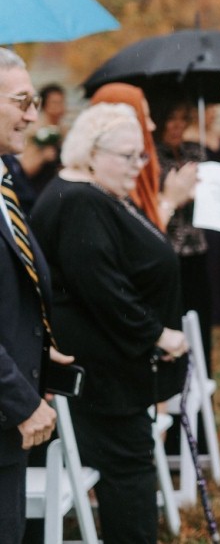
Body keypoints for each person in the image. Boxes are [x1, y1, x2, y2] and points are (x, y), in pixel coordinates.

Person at [30, 102, 189, 543]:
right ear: (92, 151)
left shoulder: (93, 192)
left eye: (142, 156)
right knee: (129, 471)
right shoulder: (79, 197)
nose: (140, 166)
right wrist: (156, 333)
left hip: (110, 366)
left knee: (129, 469)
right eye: (129, 156)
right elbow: (100, 286)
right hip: (101, 371)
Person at [0, 49, 60, 543]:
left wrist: (40, 351)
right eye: (22, 101)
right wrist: (19, 399)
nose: (33, 115)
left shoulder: (5, 181)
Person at [151, 92, 212, 369]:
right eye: (170, 120)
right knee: (175, 319)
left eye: (181, 119)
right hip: (169, 248)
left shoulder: (195, 151)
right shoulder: (151, 156)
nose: (176, 126)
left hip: (197, 247)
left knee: (201, 319)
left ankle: (203, 377)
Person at [90, 83, 195, 231]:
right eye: (144, 117)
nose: (151, 126)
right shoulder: (104, 186)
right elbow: (140, 239)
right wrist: (169, 201)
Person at [184, 103, 220, 326]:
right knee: (211, 254)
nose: (213, 114)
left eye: (215, 110)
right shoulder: (188, 136)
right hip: (202, 205)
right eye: (209, 109)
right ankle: (213, 308)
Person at [19, 83, 66, 197]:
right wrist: (43, 157)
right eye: (55, 102)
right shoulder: (35, 131)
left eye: (62, 102)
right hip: (40, 189)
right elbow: (25, 169)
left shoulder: (65, 130)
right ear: (45, 105)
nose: (59, 107)